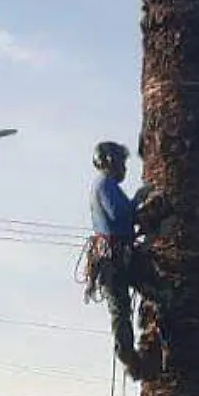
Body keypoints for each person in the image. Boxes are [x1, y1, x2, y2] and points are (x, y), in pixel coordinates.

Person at [83, 140, 169, 378]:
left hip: (117, 257)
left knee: (131, 306)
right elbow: (121, 214)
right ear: (110, 161)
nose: (124, 168)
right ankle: (131, 357)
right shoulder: (105, 185)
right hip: (116, 260)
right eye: (121, 162)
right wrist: (140, 199)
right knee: (128, 307)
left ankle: (138, 354)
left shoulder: (102, 185)